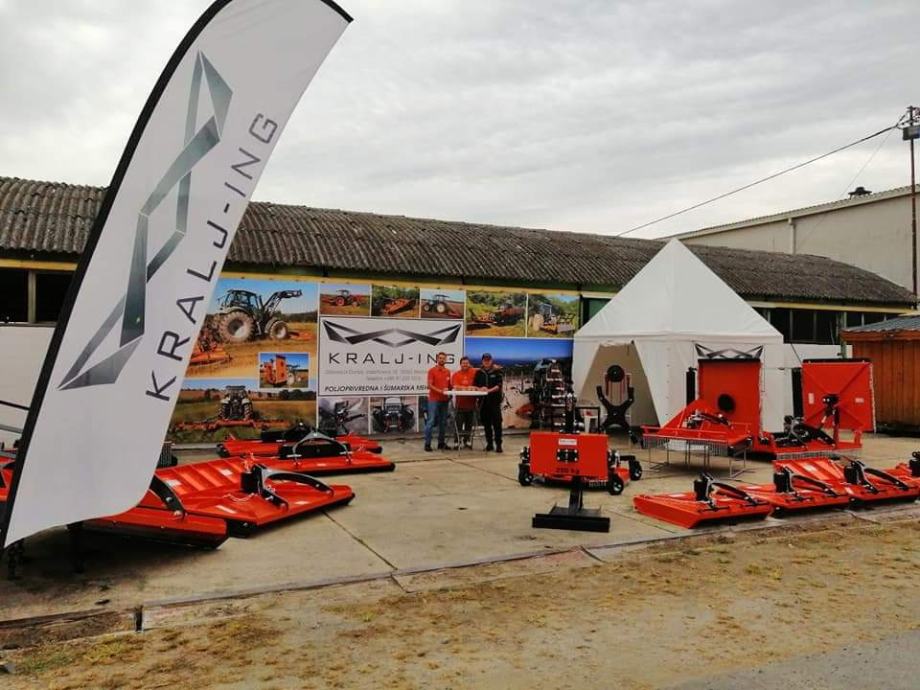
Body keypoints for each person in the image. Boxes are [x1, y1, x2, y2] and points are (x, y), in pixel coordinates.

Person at [474, 353, 503, 452]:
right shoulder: (479, 372)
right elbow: (475, 385)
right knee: (486, 425)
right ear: (482, 361)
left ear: (491, 361)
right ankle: (489, 444)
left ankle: (498, 445)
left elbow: (499, 386)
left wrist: (488, 391)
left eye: (488, 360)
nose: (486, 362)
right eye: (485, 360)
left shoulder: (497, 371)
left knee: (497, 424)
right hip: (483, 402)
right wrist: (480, 389)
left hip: (494, 402)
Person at [424, 351, 451, 451]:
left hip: (444, 400)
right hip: (434, 400)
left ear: (446, 360)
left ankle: (441, 443)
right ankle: (427, 444)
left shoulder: (448, 371)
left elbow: (449, 386)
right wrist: (440, 391)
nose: (442, 360)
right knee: (431, 422)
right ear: (437, 359)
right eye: (440, 358)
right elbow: (429, 385)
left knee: (443, 422)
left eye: (443, 358)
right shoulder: (432, 371)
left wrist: (452, 390)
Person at [451, 356, 479, 448]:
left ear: (469, 364)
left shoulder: (474, 373)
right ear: (460, 364)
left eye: (467, 363)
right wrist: (467, 388)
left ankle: (467, 440)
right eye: (463, 363)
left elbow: (478, 384)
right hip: (460, 405)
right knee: (458, 424)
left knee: (469, 424)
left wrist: (473, 388)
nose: (465, 365)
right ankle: (457, 441)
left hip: (471, 405)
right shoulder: (456, 374)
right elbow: (455, 386)